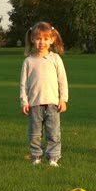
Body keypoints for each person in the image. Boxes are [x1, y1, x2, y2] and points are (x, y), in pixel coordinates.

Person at [19, 21, 68, 167]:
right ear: (33, 39)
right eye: (39, 38)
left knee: (53, 133)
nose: (42, 42)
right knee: (35, 134)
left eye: (46, 39)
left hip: (53, 104)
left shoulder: (55, 59)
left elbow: (62, 81)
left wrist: (63, 99)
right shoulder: (28, 62)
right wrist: (24, 102)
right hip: (35, 104)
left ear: (52, 40)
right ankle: (36, 157)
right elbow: (23, 84)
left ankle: (53, 158)